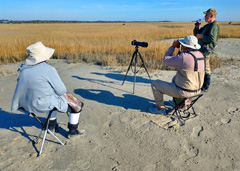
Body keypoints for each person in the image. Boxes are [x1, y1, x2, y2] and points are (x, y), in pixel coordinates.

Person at [11, 41, 85, 138]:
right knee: (77, 105)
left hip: (27, 105)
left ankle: (51, 127)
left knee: (49, 98)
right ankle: (73, 131)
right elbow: (61, 91)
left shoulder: (23, 69)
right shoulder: (49, 69)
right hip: (42, 104)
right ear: (42, 57)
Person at [149, 35, 205, 114]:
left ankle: (160, 109)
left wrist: (173, 46)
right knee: (175, 78)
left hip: (184, 92)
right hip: (197, 91)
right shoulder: (201, 55)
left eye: (182, 45)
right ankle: (176, 102)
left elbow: (165, 61)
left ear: (185, 47)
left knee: (155, 84)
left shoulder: (184, 57)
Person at [194, 8, 220, 91]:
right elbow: (196, 34)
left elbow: (212, 39)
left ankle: (205, 86)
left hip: (206, 50)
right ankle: (202, 84)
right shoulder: (207, 25)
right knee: (201, 66)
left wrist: (202, 37)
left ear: (211, 15)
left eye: (206, 14)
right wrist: (197, 26)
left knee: (206, 67)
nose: (204, 16)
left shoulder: (214, 25)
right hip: (202, 49)